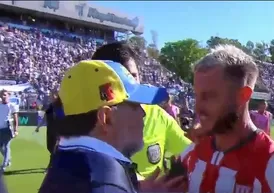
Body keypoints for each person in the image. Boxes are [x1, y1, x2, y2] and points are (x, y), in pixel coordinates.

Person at [39, 60, 184, 193]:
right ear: (106, 118)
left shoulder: (66, 162)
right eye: (135, 105)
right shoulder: (103, 184)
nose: (143, 113)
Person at [180, 45, 274, 192]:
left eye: (209, 97)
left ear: (243, 95)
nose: (197, 108)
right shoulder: (193, 151)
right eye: (197, 95)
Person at [91, 42, 191, 179]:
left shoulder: (157, 115)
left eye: (133, 76)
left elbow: (190, 152)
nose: (131, 85)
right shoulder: (86, 123)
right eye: (120, 79)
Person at [35, 92, 59, 171]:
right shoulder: (50, 107)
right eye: (51, 96)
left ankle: (50, 166)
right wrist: (38, 127)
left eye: (53, 96)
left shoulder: (61, 107)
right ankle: (55, 163)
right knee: (49, 147)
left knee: (54, 148)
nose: (52, 97)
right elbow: (45, 118)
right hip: (49, 129)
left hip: (57, 130)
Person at [0, 90, 18, 171]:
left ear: (8, 96)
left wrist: (16, 130)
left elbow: (15, 119)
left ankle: (4, 165)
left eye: (5, 95)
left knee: (7, 146)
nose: (3, 96)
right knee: (1, 148)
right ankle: (8, 159)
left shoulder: (12, 106)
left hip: (7, 129)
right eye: (2, 95)